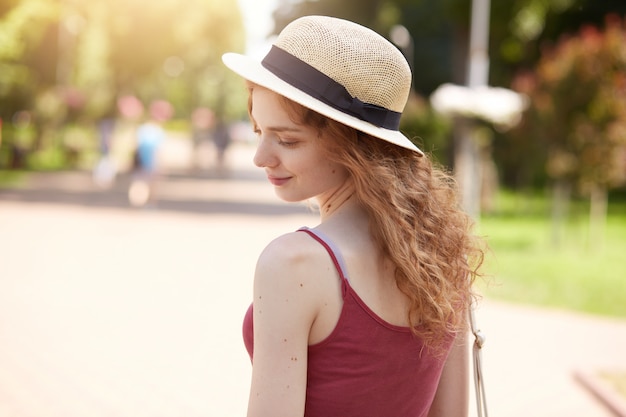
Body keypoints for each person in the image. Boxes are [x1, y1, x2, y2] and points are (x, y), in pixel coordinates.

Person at [222, 15, 485, 417]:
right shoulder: (443, 255)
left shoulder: (294, 264)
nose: (261, 158)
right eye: (259, 131)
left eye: (287, 140)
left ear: (352, 145)